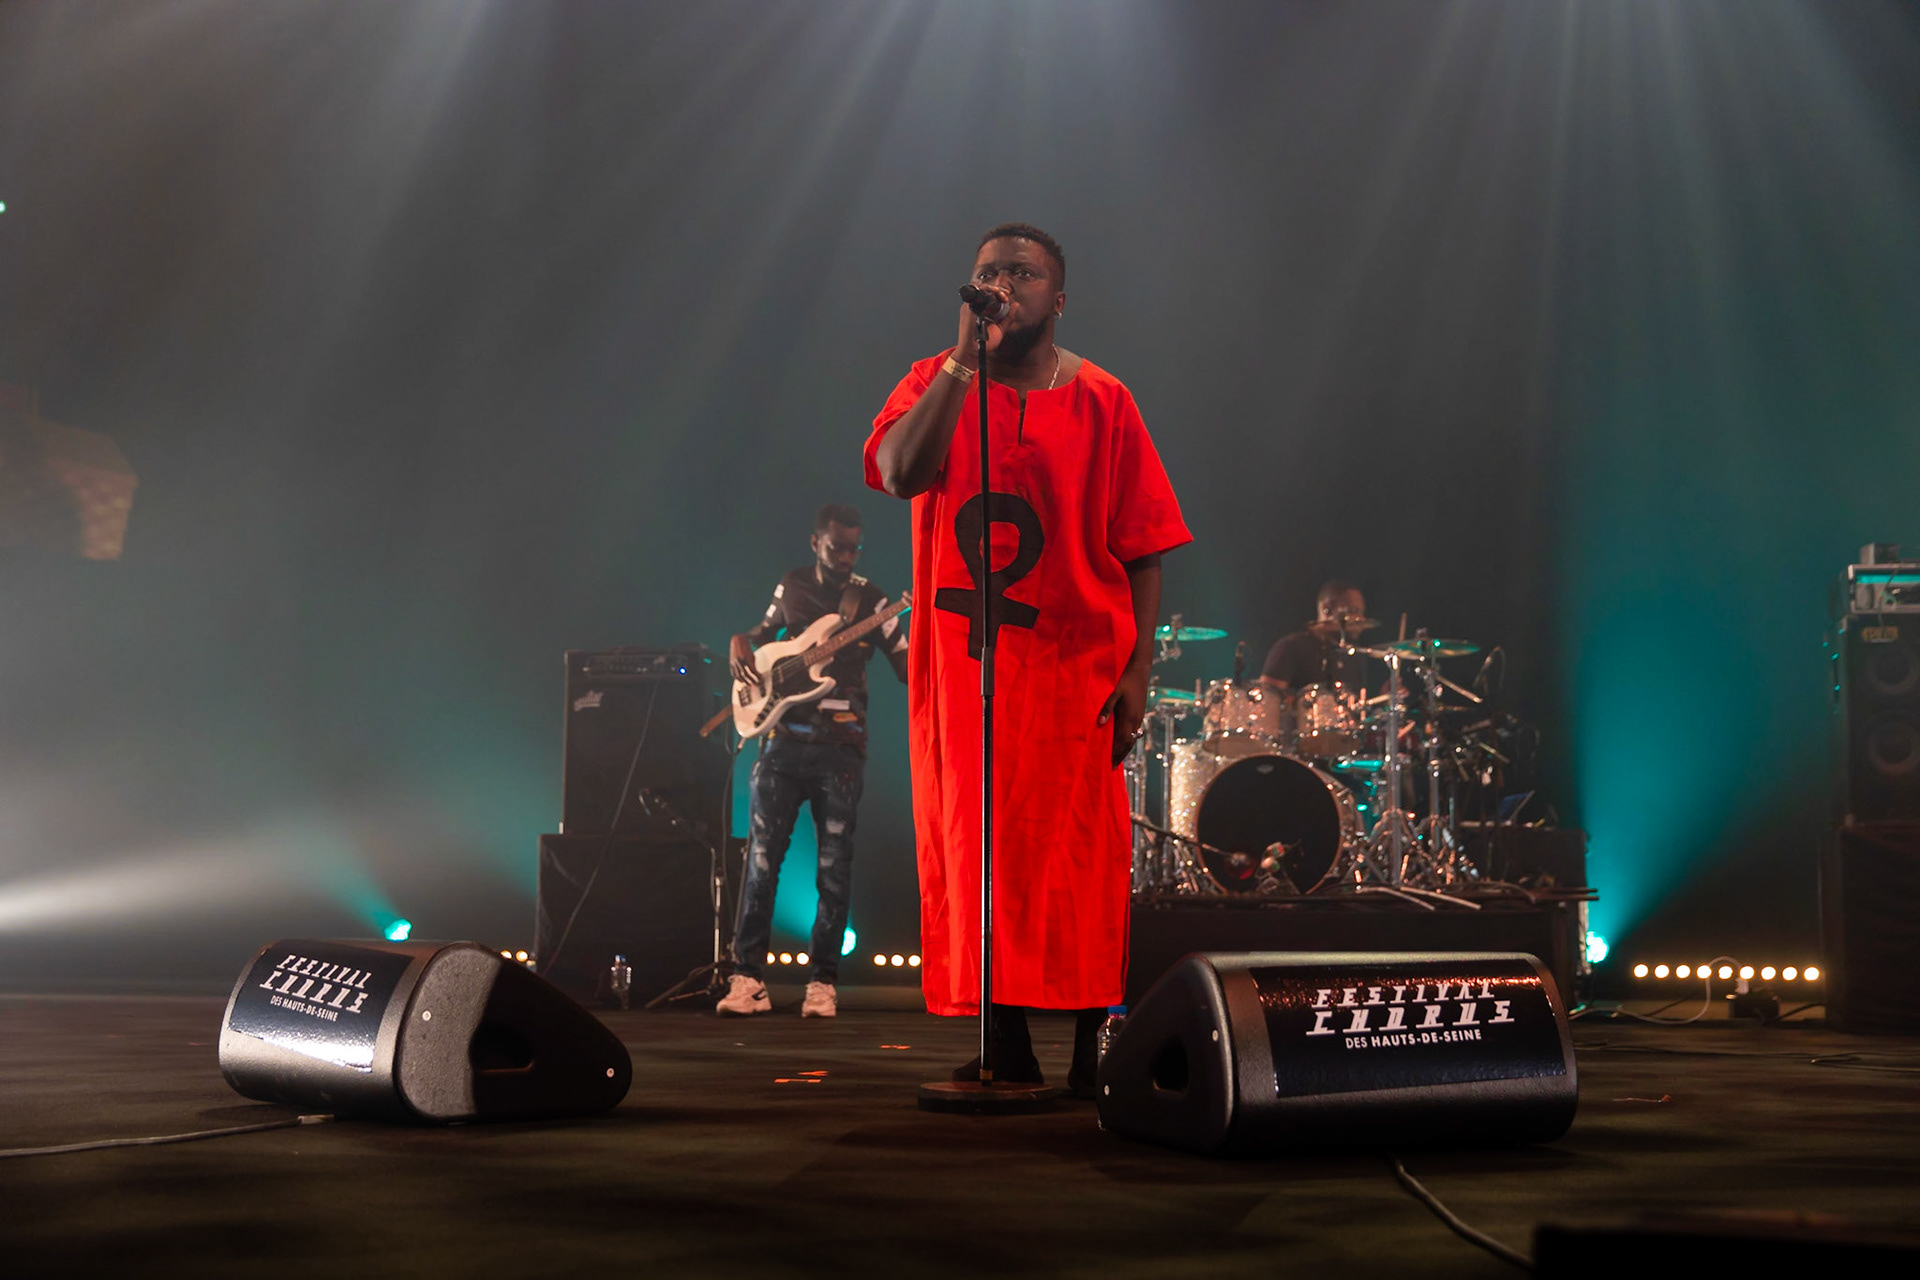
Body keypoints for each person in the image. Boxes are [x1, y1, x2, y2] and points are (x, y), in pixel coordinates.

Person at [864, 223, 1191, 1091]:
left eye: (1022, 271)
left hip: (1075, 666)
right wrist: (963, 363)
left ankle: (1094, 1046)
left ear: (1058, 297)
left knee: (1079, 858)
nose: (1002, 282)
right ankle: (1001, 1039)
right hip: (966, 669)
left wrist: (1138, 672)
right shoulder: (936, 381)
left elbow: (1144, 545)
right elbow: (900, 472)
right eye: (986, 271)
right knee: (976, 851)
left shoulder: (1103, 398)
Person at [715, 503, 908, 1019]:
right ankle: (747, 978)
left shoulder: (873, 600)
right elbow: (765, 633)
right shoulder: (792, 584)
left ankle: (822, 983)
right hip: (780, 741)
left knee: (833, 868)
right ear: (815, 543)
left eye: (853, 548)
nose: (845, 556)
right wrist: (744, 640)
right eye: (836, 547)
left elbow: (908, 667)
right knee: (760, 862)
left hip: (841, 750)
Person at [1259, 581, 1373, 694]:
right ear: (1326, 609)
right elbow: (1267, 702)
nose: (1361, 619)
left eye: (1362, 612)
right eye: (1353, 611)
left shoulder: (1355, 655)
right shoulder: (1290, 647)